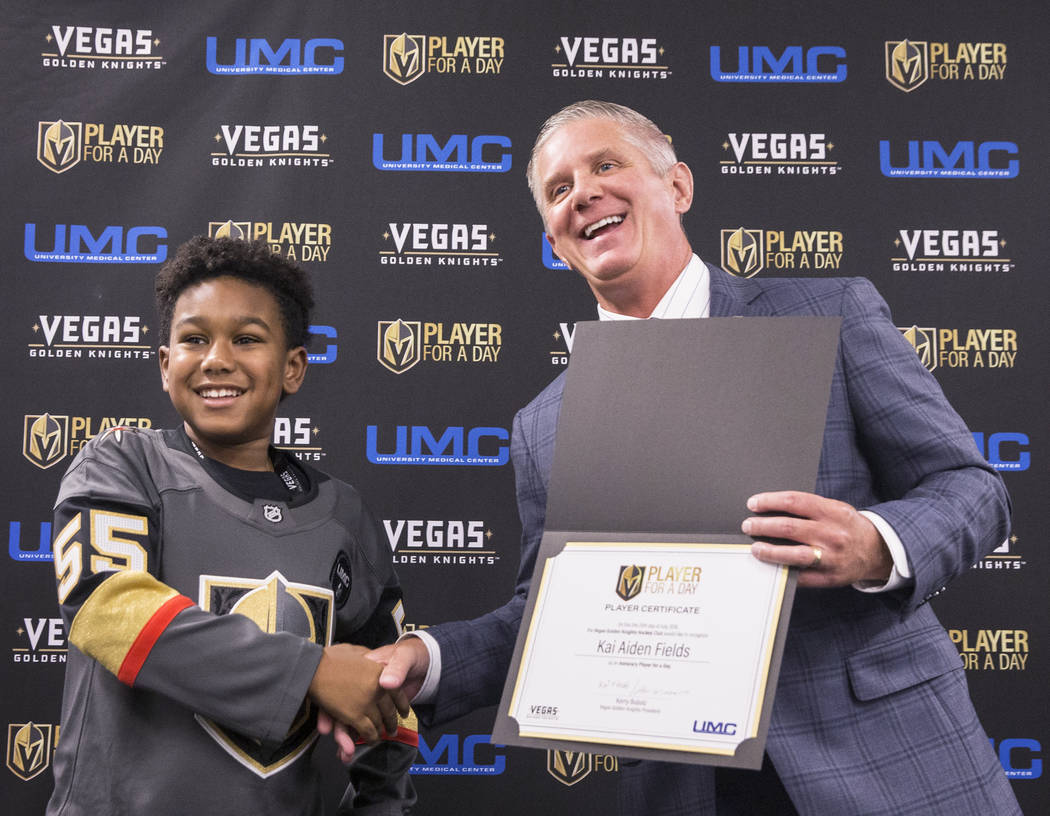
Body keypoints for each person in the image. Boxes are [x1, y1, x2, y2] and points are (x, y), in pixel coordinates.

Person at [354, 100, 1024, 815]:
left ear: (677, 187)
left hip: (889, 766)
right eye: (558, 189)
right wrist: (428, 662)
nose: (582, 192)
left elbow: (971, 489)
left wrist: (876, 544)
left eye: (605, 165)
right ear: (554, 238)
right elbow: (543, 615)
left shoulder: (830, 313)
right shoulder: (543, 425)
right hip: (687, 789)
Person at [47, 236, 416, 815]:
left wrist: (382, 803)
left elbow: (387, 691)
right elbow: (107, 610)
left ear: (293, 367)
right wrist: (310, 671)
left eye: (246, 339)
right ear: (167, 366)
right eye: (194, 340)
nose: (217, 358)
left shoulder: (344, 515)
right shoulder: (123, 466)